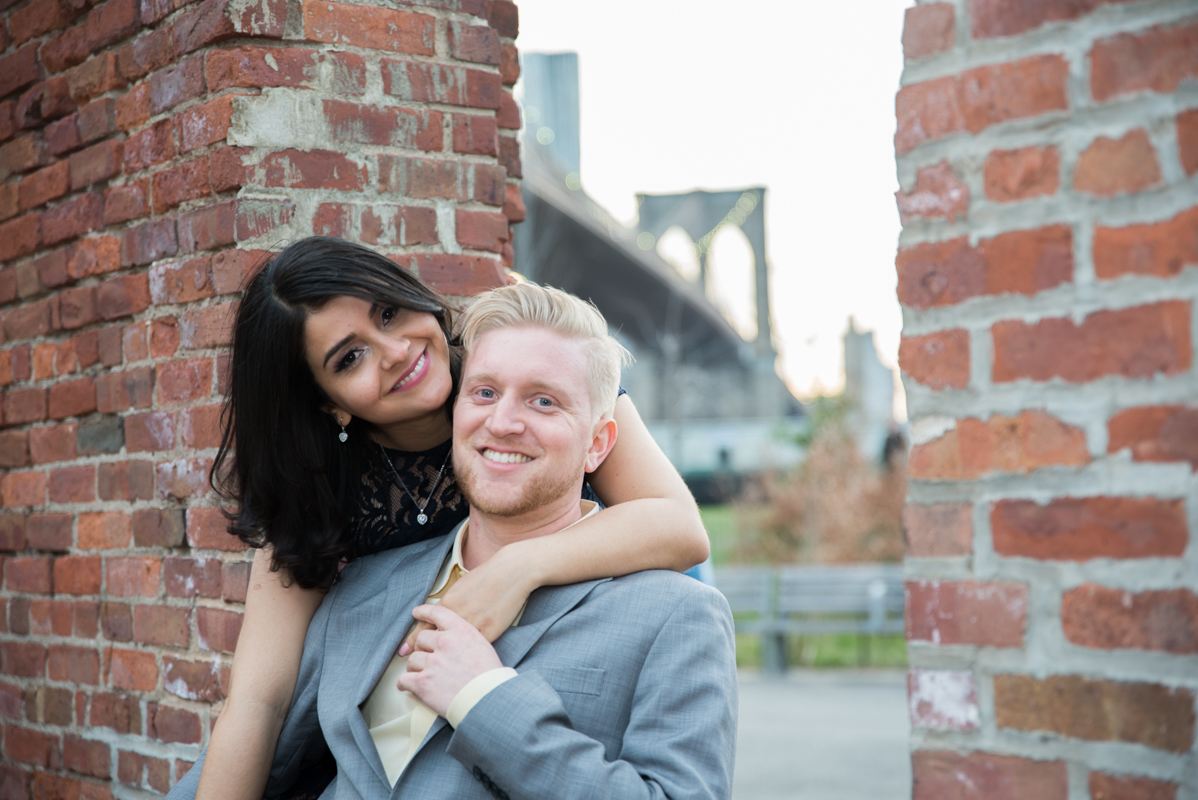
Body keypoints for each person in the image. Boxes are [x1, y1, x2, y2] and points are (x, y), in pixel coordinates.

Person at [190, 238, 709, 799]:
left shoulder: (515, 359)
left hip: (567, 632)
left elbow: (680, 527)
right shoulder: (321, 484)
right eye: (350, 357)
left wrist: (518, 568)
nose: (392, 350)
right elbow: (258, 704)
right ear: (328, 402)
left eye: (387, 312)